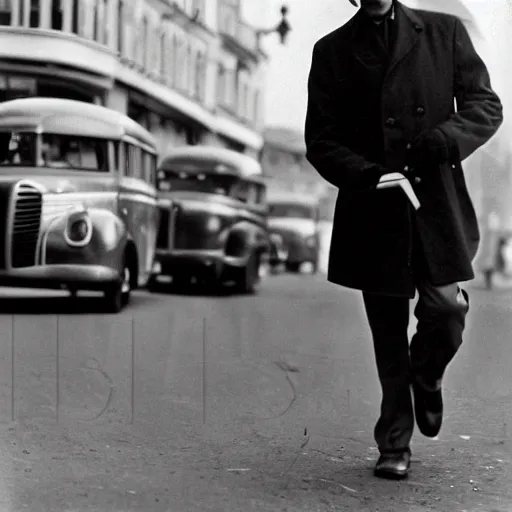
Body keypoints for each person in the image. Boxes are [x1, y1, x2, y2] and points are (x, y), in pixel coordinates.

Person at [305, 0, 503, 480]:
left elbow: (485, 105)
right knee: (388, 334)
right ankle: (394, 443)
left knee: (447, 310)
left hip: (434, 201)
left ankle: (428, 373)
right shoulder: (331, 50)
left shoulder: (444, 32)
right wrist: (370, 175)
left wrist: (447, 138)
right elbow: (321, 140)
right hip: (375, 207)